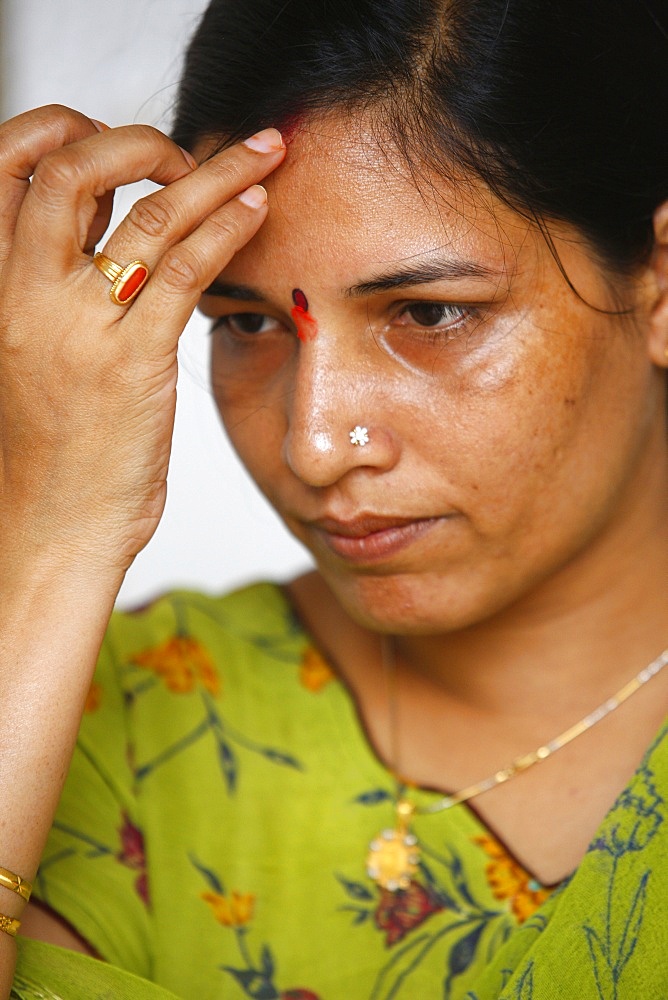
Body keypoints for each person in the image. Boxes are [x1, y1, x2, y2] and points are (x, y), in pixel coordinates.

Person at [2, 0, 667, 996]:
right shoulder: (102, 726)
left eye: (429, 311)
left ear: (656, 284)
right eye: (247, 324)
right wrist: (49, 541)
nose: (312, 445)